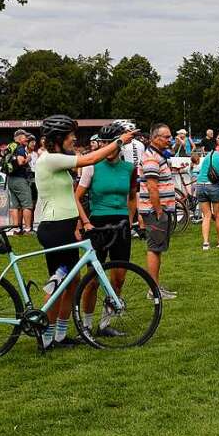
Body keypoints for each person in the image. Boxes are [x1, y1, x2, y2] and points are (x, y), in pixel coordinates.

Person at [35, 115, 137, 349]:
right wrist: (119, 141)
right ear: (59, 138)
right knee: (58, 285)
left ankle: (59, 335)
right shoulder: (49, 159)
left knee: (73, 282)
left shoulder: (56, 159)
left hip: (64, 226)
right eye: (71, 135)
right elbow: (90, 158)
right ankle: (45, 337)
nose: (74, 139)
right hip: (55, 227)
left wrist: (77, 224)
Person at [75, 122, 139, 337]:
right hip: (98, 223)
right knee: (92, 279)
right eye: (104, 144)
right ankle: (86, 324)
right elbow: (77, 197)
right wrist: (83, 223)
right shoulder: (91, 166)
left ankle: (104, 324)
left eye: (111, 144)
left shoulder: (129, 168)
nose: (108, 149)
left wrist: (130, 219)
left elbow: (132, 195)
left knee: (119, 278)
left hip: (120, 224)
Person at [137, 123, 180, 298]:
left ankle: (155, 287)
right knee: (154, 248)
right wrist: (159, 211)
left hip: (158, 210)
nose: (170, 140)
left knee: (157, 248)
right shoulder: (151, 158)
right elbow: (152, 187)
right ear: (156, 138)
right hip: (155, 212)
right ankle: (153, 290)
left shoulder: (157, 155)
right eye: (167, 137)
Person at [194, 138, 219, 248]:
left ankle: (205, 243)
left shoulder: (210, 154)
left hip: (200, 185)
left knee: (206, 215)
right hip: (214, 187)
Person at [2, 129, 34, 234]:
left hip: (10, 179)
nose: (27, 139)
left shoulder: (9, 147)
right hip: (20, 179)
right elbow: (20, 162)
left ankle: (16, 229)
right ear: (20, 138)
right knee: (27, 204)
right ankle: (27, 228)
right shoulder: (20, 148)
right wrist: (28, 159)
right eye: (25, 137)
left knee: (15, 205)